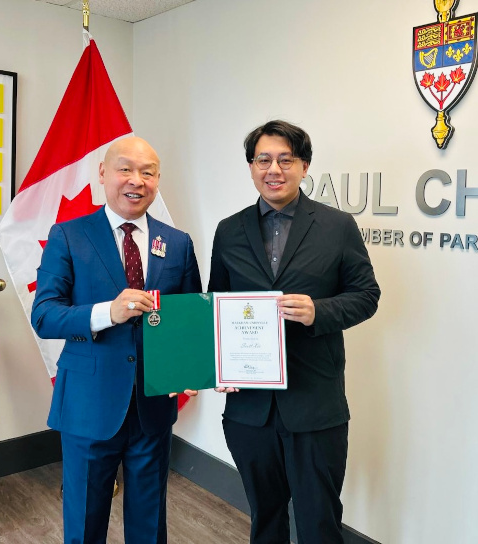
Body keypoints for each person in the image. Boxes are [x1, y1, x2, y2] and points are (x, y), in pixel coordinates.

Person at [208, 120, 380, 544]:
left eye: (286, 160)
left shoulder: (338, 226)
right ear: (251, 167)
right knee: (265, 518)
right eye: (263, 160)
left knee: (319, 520)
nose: (274, 169)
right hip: (249, 408)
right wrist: (216, 367)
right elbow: (214, 306)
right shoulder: (229, 230)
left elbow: (367, 295)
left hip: (314, 404)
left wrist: (318, 311)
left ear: (305, 166)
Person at [31, 136, 202, 544]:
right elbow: (45, 315)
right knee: (84, 524)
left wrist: (191, 368)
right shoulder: (68, 235)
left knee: (149, 524)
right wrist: (108, 312)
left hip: (153, 407)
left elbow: (190, 318)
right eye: (125, 169)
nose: (136, 180)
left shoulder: (177, 242)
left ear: (157, 180)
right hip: (88, 405)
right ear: (103, 174)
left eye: (148, 172)